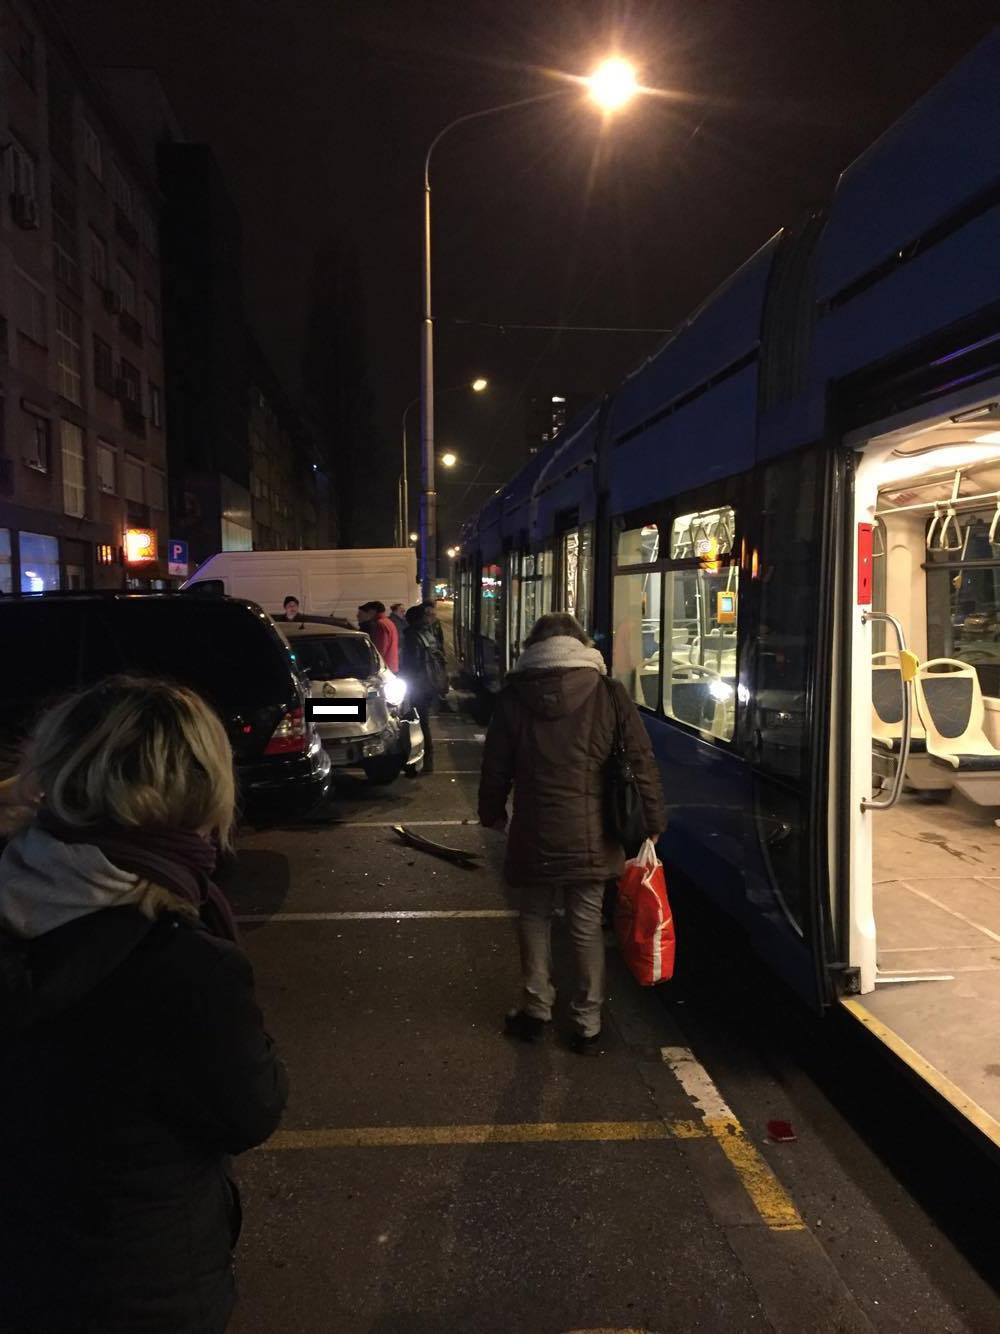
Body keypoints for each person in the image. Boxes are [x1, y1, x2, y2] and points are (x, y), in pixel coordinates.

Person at [0, 676, 288, 1333]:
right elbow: (253, 1107)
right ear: (197, 788)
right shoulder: (187, 968)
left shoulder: (15, 888)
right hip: (142, 1287)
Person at [478, 612, 665, 1055]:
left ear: (533, 646)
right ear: (580, 643)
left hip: (532, 828)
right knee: (584, 925)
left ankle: (536, 1009)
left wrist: (491, 811)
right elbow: (640, 761)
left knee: (534, 917)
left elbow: (496, 764)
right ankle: (586, 1021)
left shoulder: (512, 697)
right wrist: (653, 822)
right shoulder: (609, 694)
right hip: (593, 832)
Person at [401, 603, 448, 775]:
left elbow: (410, 664)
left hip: (418, 686)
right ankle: (427, 760)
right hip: (429, 684)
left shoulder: (412, 636)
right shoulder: (429, 633)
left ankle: (420, 762)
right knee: (423, 723)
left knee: (416, 724)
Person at [358, 600, 399, 673]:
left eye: (368, 612)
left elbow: (380, 649)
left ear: (373, 611)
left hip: (384, 667)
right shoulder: (388, 621)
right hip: (392, 664)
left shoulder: (380, 624)